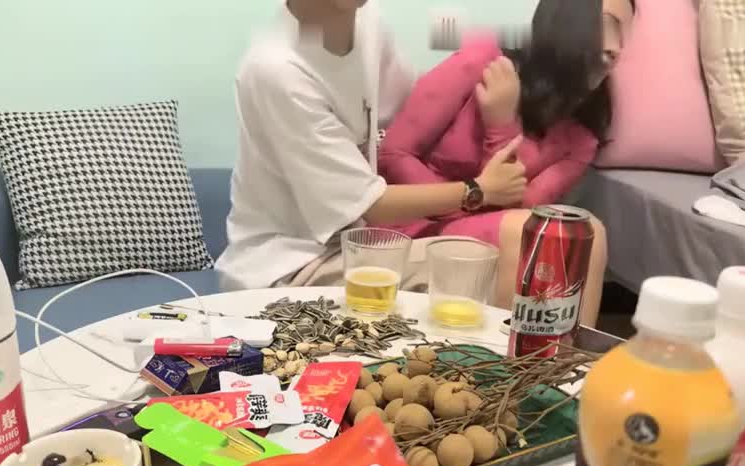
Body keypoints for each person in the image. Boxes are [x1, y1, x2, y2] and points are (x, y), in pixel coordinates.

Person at [217, 0, 527, 293]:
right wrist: (478, 190)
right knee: (513, 243)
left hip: (359, 243)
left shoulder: (367, 22)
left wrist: (498, 117)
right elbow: (370, 205)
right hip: (289, 269)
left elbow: (411, 112)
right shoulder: (277, 71)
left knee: (529, 238)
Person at [378, 0, 635, 326]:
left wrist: (501, 125)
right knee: (523, 234)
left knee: (586, 234)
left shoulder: (582, 137)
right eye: (608, 24)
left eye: (625, 34)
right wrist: (471, 195)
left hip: (492, 230)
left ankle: (570, 354)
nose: (616, 47)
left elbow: (522, 208)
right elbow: (394, 154)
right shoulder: (484, 62)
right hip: (412, 222)